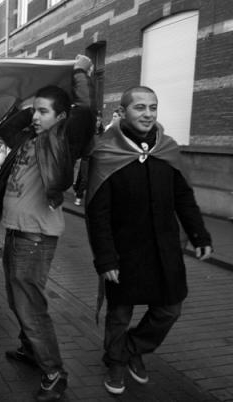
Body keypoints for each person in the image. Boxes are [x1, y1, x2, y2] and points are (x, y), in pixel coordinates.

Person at [85, 86, 212, 395]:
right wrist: (105, 258)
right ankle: (116, 363)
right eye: (139, 107)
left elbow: (184, 198)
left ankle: (130, 349)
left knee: (170, 310)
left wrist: (199, 235)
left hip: (164, 248)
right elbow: (97, 213)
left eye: (152, 107)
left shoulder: (167, 149)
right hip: (123, 251)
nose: (148, 114)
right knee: (120, 314)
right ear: (123, 111)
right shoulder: (105, 152)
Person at [0, 55, 95, 401]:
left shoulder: (60, 142)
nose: (35, 117)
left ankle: (54, 373)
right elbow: (6, 128)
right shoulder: (28, 140)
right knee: (16, 300)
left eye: (43, 112)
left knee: (30, 307)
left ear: (61, 118)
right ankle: (30, 349)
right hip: (15, 232)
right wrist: (31, 101)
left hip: (34, 238)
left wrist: (78, 72)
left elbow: (86, 112)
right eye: (34, 112)